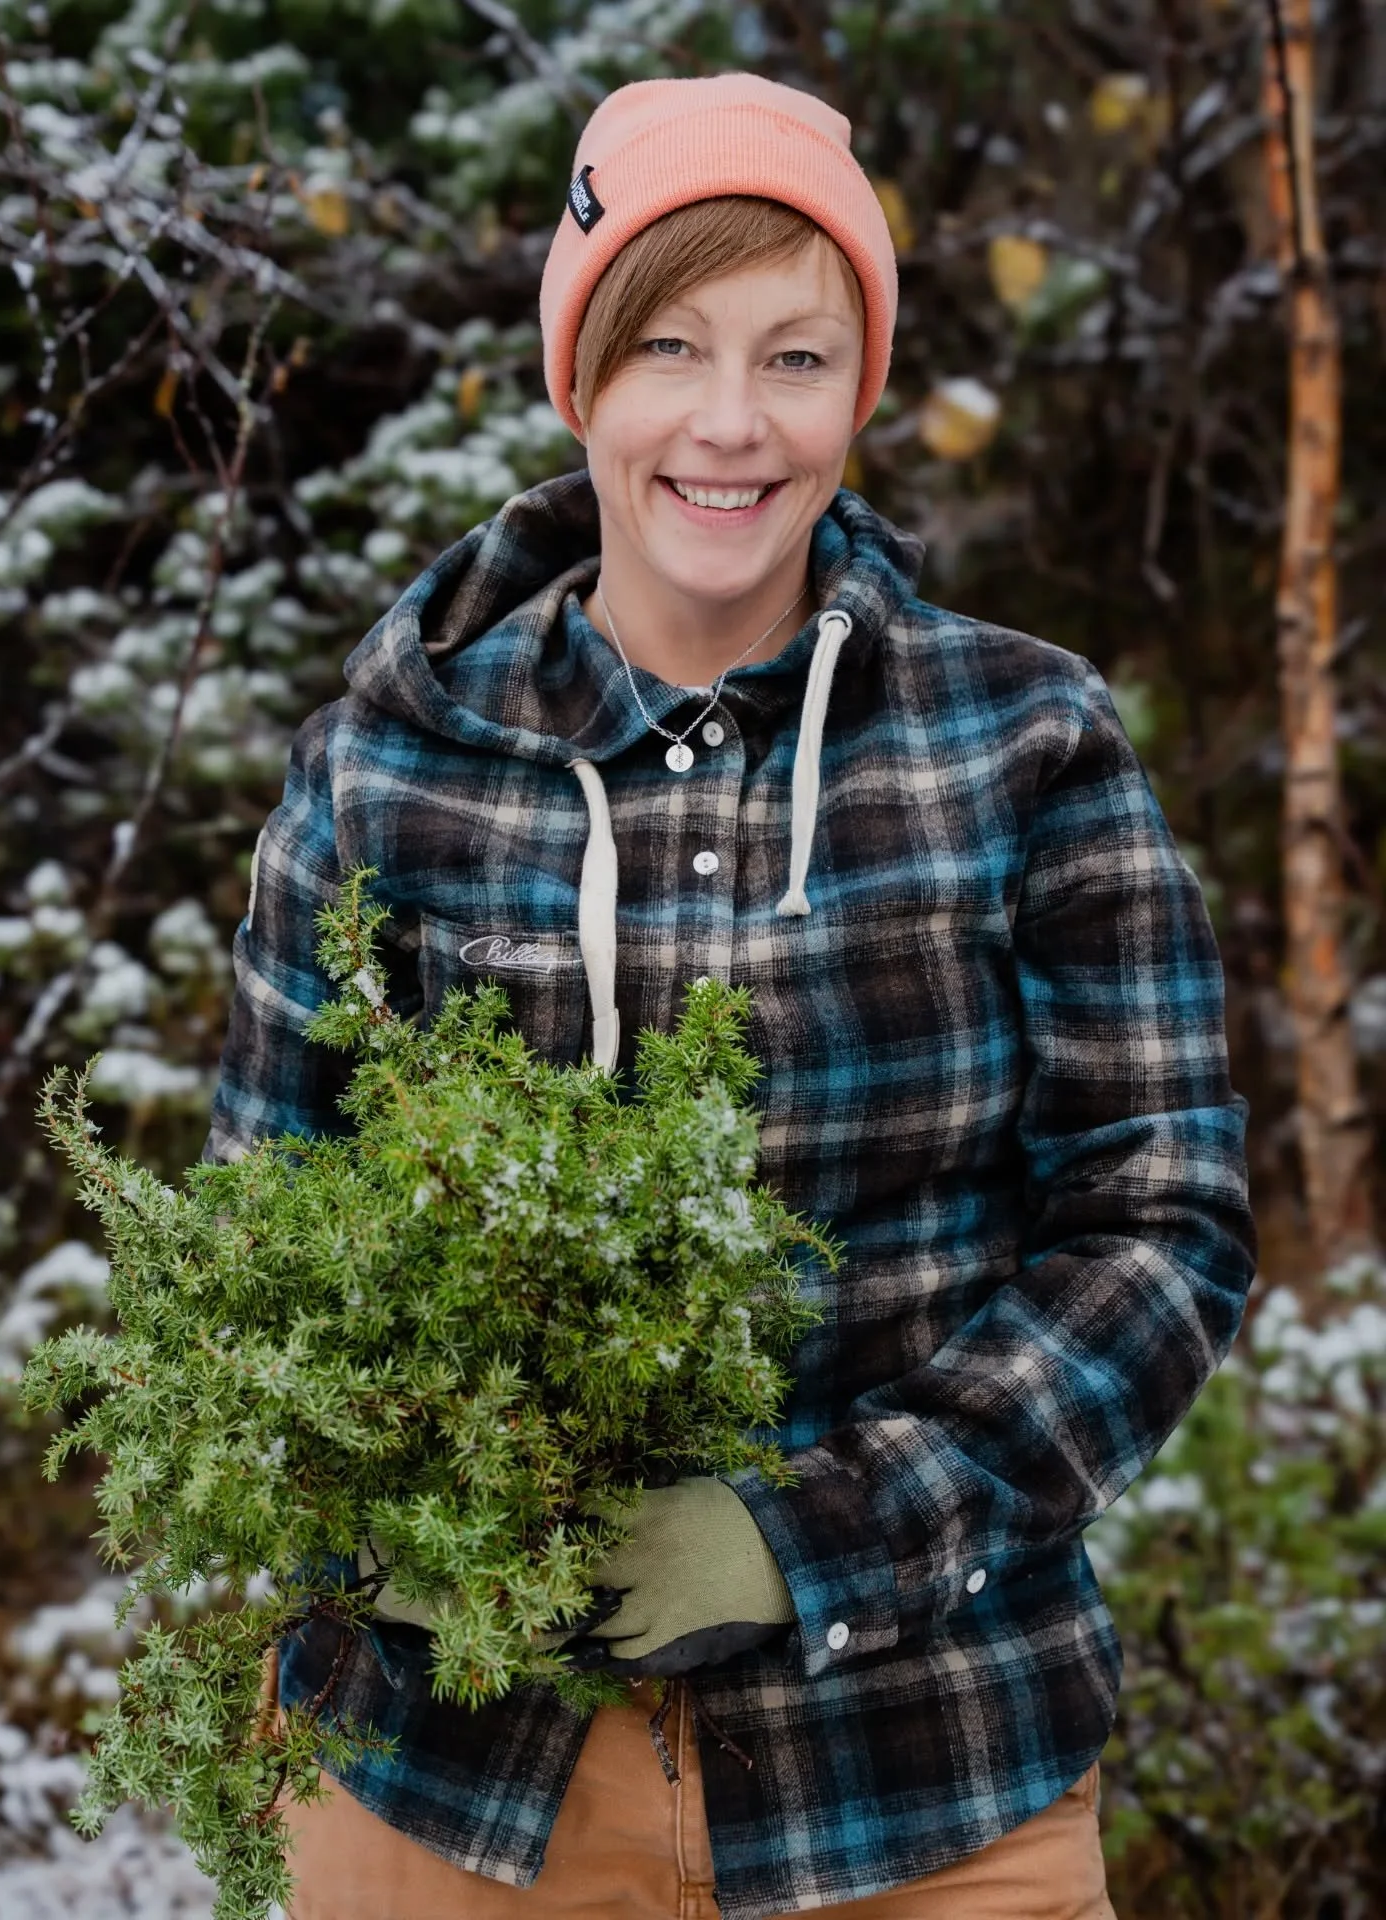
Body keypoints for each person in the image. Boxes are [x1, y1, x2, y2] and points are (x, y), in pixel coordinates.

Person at [205, 70, 1257, 1920]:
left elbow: (1160, 1221)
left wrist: (810, 1537)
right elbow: (258, 1223)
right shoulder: (387, 765)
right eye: (668, 347)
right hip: (452, 1784)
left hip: (924, 1779)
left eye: (797, 357)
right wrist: (374, 1510)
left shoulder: (1023, 741)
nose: (729, 422)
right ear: (581, 378)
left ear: (861, 390)